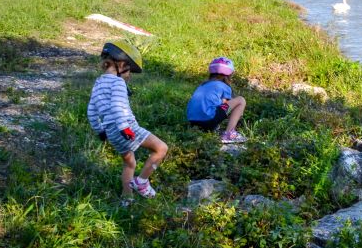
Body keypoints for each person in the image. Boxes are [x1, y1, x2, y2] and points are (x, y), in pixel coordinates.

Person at [87, 40, 168, 202]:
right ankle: (142, 182)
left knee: (129, 163)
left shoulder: (98, 83)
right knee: (161, 148)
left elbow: (91, 110)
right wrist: (125, 128)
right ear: (121, 64)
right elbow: (118, 106)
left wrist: (100, 131)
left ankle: (127, 198)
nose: (129, 75)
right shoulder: (118, 82)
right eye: (129, 70)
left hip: (110, 131)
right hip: (126, 127)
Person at [187, 57, 247, 143]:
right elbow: (226, 105)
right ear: (229, 74)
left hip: (192, 122)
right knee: (241, 100)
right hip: (208, 121)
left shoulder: (203, 85)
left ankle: (213, 129)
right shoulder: (225, 87)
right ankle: (229, 134)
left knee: (213, 107)